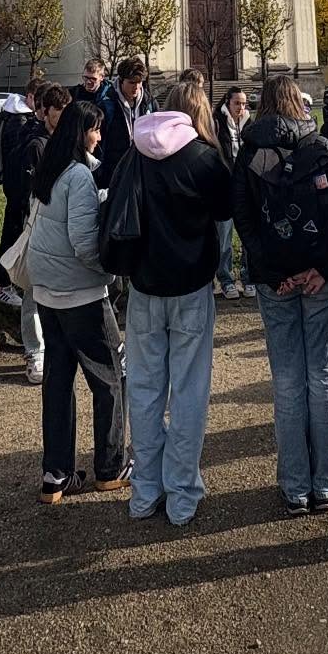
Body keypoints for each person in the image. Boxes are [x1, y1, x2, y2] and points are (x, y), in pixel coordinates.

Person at [232, 73, 328, 517]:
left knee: (286, 379)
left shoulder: (249, 152)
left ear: (261, 105)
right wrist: (323, 268)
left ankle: (296, 487)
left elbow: (244, 221)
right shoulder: (320, 147)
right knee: (323, 374)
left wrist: (273, 271)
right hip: (321, 278)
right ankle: (326, 485)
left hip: (275, 281)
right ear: (298, 104)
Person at [124, 75, 230, 526]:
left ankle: (145, 491)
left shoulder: (135, 155)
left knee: (145, 391)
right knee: (188, 391)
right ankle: (182, 493)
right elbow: (227, 210)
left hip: (145, 286)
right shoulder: (205, 159)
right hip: (189, 286)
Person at [28, 99, 128, 502]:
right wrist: (109, 273)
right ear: (80, 132)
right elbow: (84, 242)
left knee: (57, 381)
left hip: (47, 291)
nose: (100, 136)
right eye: (95, 129)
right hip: (81, 292)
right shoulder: (79, 176)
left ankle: (56, 473)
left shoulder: (49, 170)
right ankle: (111, 465)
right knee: (109, 379)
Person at [16, 85, 71, 386]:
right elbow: (29, 192)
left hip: (64, 223)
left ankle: (58, 343)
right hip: (39, 221)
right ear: (45, 112)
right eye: (57, 113)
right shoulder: (36, 145)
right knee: (33, 289)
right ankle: (34, 350)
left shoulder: (70, 143)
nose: (62, 120)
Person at [0, 82, 42, 309]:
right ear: (30, 97)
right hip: (18, 187)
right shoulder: (19, 121)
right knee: (13, 236)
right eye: (39, 103)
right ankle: (3, 284)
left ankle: (7, 282)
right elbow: (17, 159)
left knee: (14, 233)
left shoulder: (9, 115)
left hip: (14, 184)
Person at [213, 86, 253, 298]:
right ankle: (226, 279)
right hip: (225, 188)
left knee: (248, 235)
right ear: (227, 102)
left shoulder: (249, 123)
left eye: (244, 103)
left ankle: (248, 277)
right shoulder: (217, 123)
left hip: (245, 187)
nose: (241, 107)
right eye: (237, 103)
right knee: (224, 237)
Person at [98, 57, 154, 188]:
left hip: (142, 172)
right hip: (114, 173)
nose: (136, 87)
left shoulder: (149, 102)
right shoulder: (106, 105)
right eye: (132, 83)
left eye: (139, 82)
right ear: (121, 80)